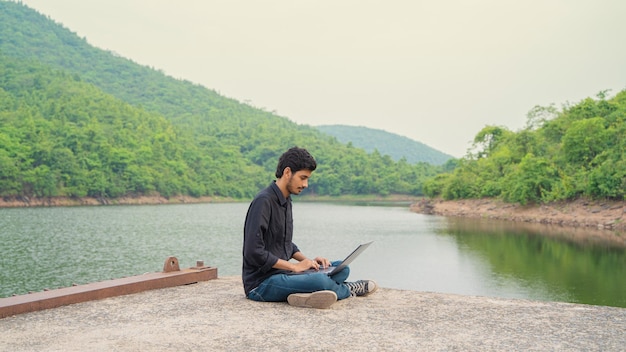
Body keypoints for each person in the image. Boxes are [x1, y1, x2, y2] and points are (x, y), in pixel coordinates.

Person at [242, 146, 377, 309]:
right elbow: (254, 252)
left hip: (283, 274)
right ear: (287, 173)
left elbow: (285, 244)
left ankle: (304, 294)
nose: (305, 184)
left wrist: (308, 261)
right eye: (303, 177)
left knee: (341, 268)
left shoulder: (286, 201)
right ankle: (347, 289)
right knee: (319, 280)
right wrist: (294, 267)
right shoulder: (263, 201)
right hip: (261, 284)